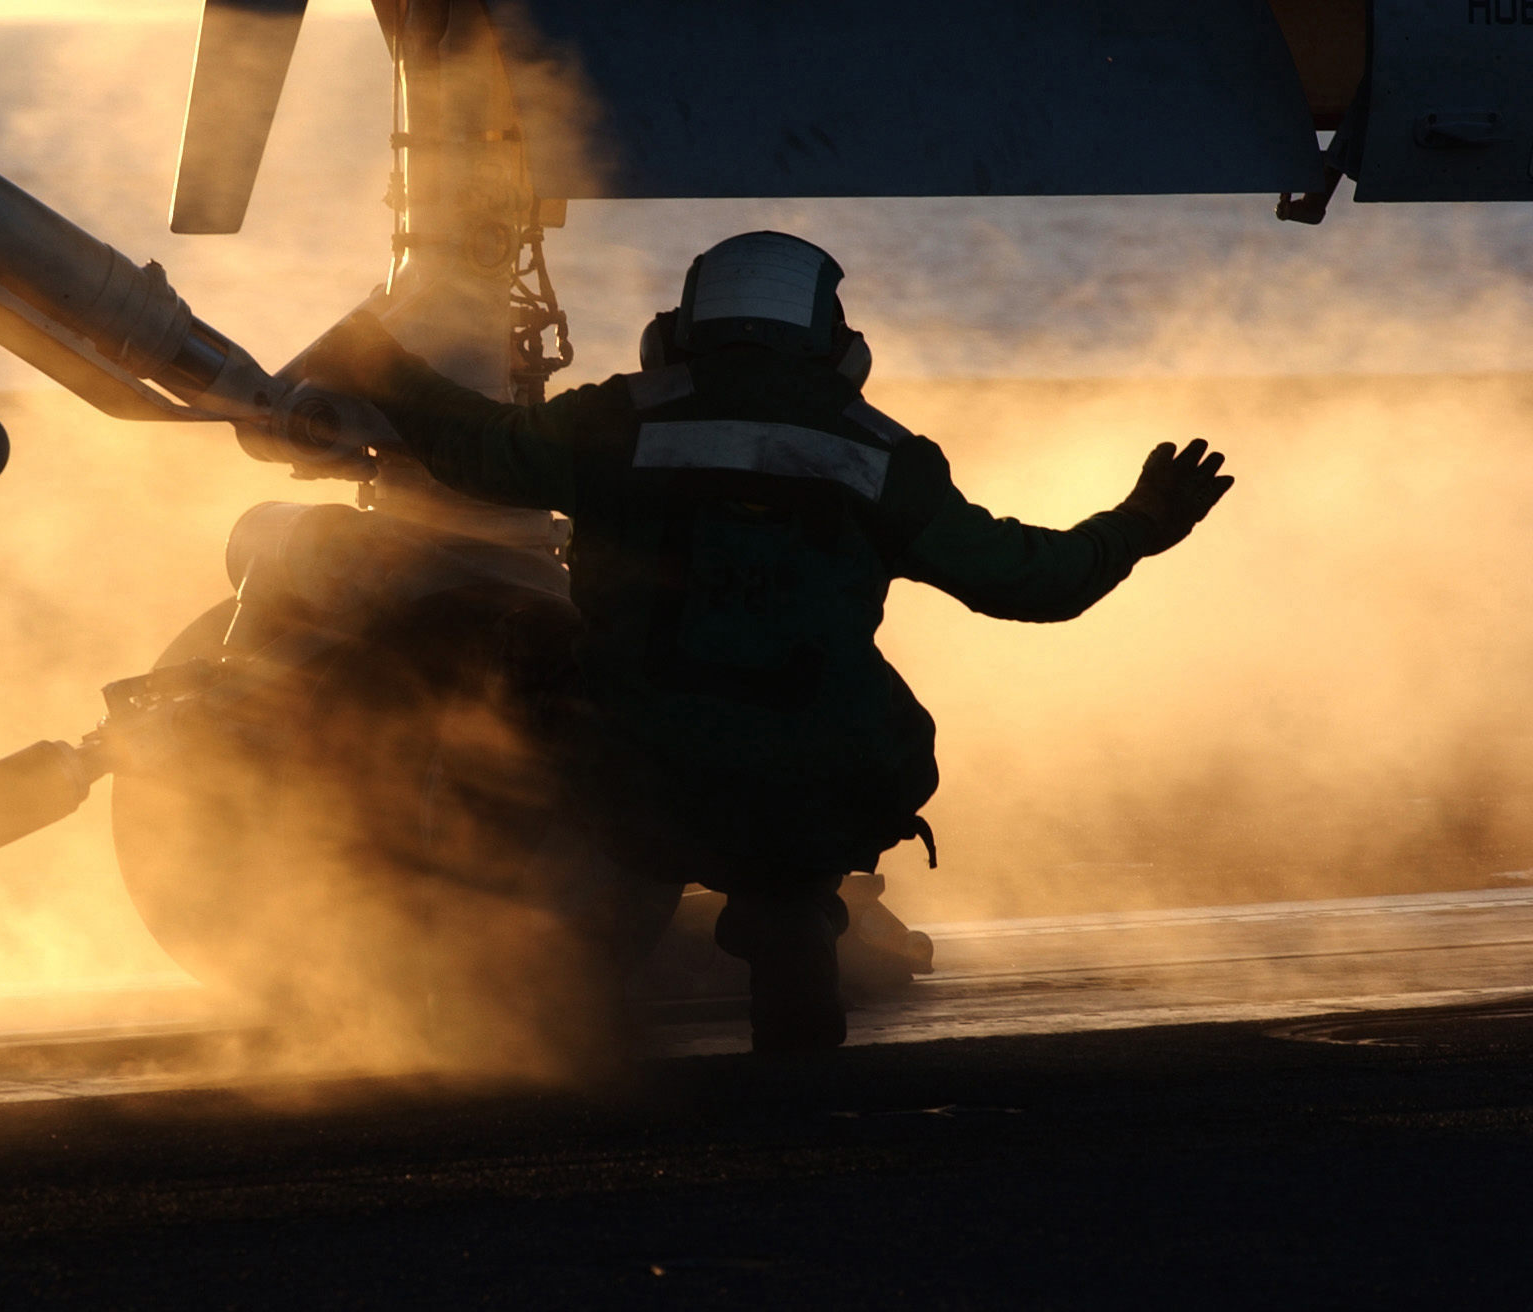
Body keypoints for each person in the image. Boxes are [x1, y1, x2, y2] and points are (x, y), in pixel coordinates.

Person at [305, 231, 1232, 1052]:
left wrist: (380, 363)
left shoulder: (614, 423)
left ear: (680, 330)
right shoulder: (885, 459)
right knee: (790, 890)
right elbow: (1035, 584)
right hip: (816, 785)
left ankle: (566, 1021)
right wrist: (1138, 524)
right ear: (837, 348)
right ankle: (797, 1061)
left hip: (641, 774)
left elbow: (477, 446)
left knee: (558, 717)